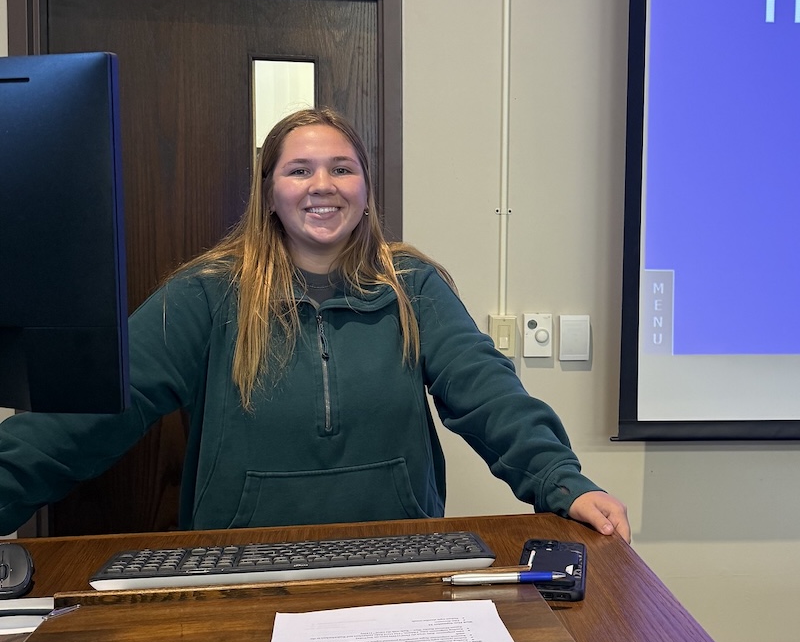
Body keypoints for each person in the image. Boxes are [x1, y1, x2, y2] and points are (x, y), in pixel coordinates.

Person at [0, 108, 630, 541]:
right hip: (238, 571)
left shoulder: (413, 286)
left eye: (342, 168)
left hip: (398, 559)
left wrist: (561, 482)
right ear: (268, 189)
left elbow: (489, 392)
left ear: (365, 186)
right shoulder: (206, 294)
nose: (321, 186)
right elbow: (93, 410)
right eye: (298, 170)